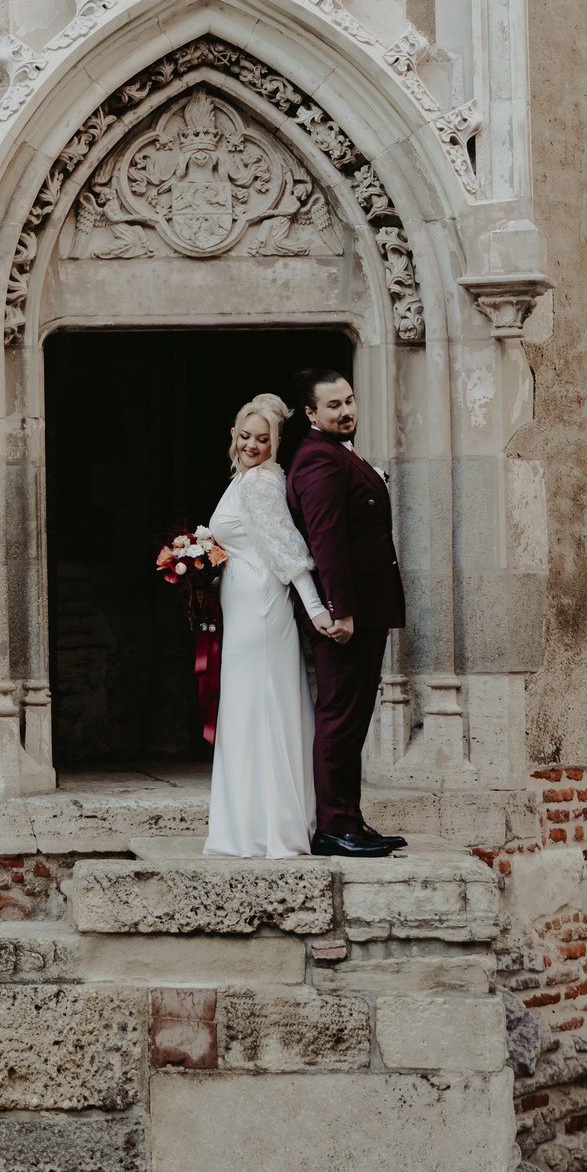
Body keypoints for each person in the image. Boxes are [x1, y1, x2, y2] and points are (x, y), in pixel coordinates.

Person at [285, 368, 408, 858]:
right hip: (346, 616)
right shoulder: (318, 460)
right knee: (339, 716)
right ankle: (334, 827)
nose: (346, 411)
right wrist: (339, 610)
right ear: (312, 414)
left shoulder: (340, 452)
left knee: (354, 717)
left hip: (366, 608)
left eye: (350, 400)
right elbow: (326, 540)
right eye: (333, 406)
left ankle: (350, 818)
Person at [202, 394, 331, 860]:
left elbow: (288, 550)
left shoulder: (261, 483)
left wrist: (315, 608)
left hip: (260, 609)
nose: (252, 445)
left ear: (276, 442)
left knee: (258, 710)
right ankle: (250, 824)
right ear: (232, 436)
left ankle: (267, 830)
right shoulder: (243, 479)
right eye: (245, 436)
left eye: (262, 438)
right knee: (247, 710)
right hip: (243, 606)